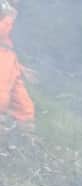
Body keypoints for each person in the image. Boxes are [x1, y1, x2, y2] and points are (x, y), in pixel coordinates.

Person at [0, 0, 35, 130]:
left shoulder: (11, 10)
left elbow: (6, 42)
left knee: (25, 109)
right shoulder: (5, 8)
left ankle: (22, 139)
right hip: (2, 58)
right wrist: (9, 15)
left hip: (9, 60)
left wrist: (20, 67)